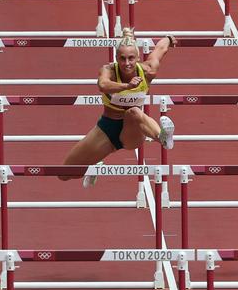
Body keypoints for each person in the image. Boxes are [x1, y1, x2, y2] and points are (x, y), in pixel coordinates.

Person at [58, 29, 176, 186]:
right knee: (64, 173)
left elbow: (160, 50)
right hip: (107, 129)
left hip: (132, 130)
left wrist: (168, 38)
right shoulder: (109, 71)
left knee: (133, 112)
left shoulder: (147, 71)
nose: (127, 63)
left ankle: (162, 137)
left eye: (131, 58)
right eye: (122, 59)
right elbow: (102, 85)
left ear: (138, 58)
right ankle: (94, 166)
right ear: (116, 59)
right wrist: (126, 85)